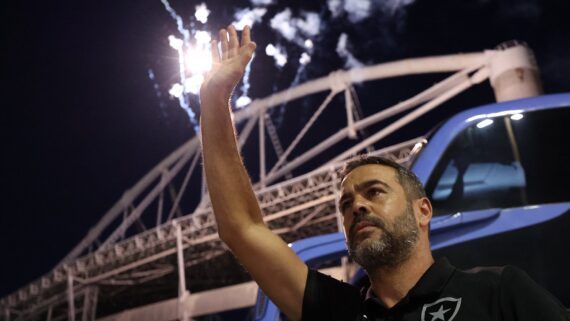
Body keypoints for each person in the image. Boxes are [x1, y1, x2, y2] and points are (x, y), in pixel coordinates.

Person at [199, 25, 569, 321]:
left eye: (374, 192)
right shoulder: (336, 310)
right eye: (346, 203)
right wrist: (215, 100)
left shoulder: (499, 292)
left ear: (423, 210)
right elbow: (241, 227)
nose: (356, 206)